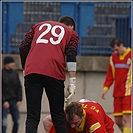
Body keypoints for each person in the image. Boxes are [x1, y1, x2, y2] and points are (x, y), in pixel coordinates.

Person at [19, 16, 79, 133]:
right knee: (58, 116)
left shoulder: (38, 26)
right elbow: (71, 55)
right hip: (54, 71)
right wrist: (72, 82)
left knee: (32, 116)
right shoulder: (71, 33)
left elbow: (23, 47)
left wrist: (25, 68)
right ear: (72, 27)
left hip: (32, 70)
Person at [101, 38, 132, 133]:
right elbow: (110, 75)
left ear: (121, 45)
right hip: (117, 93)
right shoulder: (113, 57)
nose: (115, 52)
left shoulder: (131, 55)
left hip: (128, 92)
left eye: (116, 49)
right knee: (118, 120)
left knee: (127, 119)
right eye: (114, 50)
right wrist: (105, 88)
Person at [43, 99, 114, 133]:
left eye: (75, 123)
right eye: (70, 122)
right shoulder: (65, 115)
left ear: (82, 116)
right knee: (47, 121)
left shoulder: (94, 119)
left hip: (104, 129)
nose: (72, 126)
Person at [2, 56, 23, 133]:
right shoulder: (2, 74)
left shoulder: (15, 73)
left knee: (17, 122)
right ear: (7, 64)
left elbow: (19, 87)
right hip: (4, 103)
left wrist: (19, 100)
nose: (14, 64)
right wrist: (3, 101)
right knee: (3, 124)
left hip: (14, 101)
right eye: (12, 63)